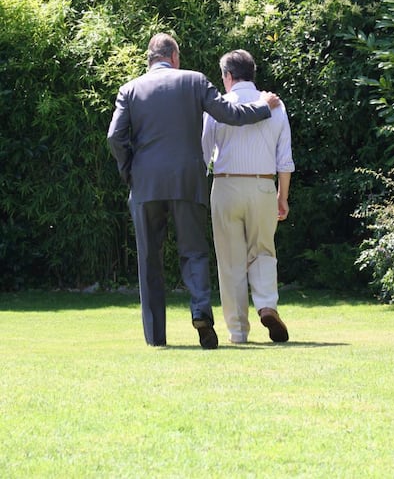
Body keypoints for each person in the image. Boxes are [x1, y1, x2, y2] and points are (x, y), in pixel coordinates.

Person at [107, 33, 280, 349]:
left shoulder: (129, 90)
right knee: (194, 252)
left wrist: (130, 173)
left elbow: (115, 138)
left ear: (150, 58)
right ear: (174, 56)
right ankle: (201, 313)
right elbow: (230, 115)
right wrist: (263, 108)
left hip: (146, 184)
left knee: (149, 260)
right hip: (187, 179)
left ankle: (156, 337)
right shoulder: (195, 81)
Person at [202, 49, 295, 344]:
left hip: (226, 186)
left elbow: (204, 153)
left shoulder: (218, 106)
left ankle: (238, 331)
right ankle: (267, 304)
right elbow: (285, 159)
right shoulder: (276, 106)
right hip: (263, 185)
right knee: (264, 252)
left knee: (230, 260)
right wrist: (283, 196)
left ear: (228, 76)